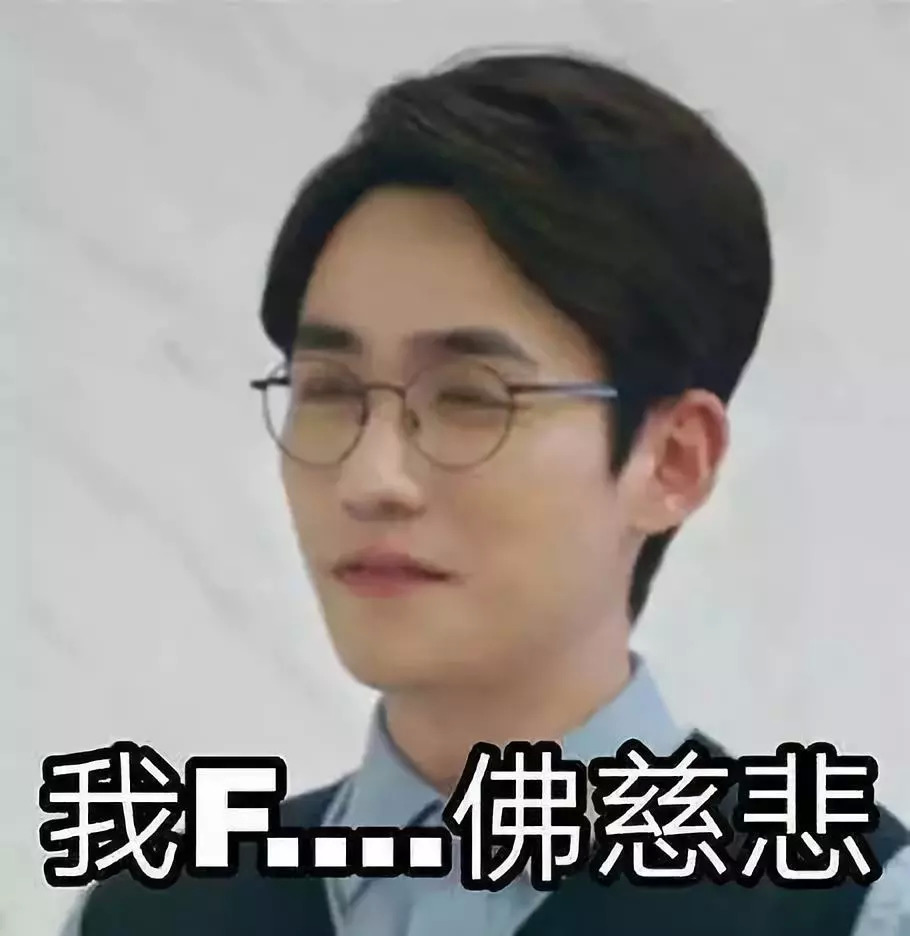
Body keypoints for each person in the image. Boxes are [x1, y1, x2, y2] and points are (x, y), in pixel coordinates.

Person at [64, 49, 908, 935]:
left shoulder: (847, 909)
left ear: (673, 463)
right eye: (330, 391)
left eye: (470, 399)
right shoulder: (148, 911)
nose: (371, 479)